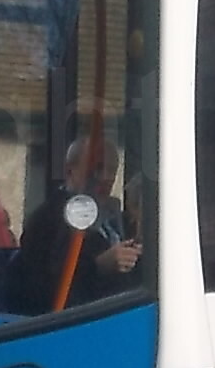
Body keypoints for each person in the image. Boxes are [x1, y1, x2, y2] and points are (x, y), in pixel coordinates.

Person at [7, 134, 143, 313]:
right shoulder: (47, 219)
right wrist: (98, 266)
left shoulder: (114, 217)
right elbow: (41, 287)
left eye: (112, 171)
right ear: (70, 171)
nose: (105, 177)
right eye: (97, 168)